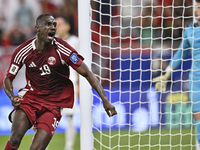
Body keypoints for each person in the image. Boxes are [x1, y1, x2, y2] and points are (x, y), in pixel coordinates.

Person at [3, 13, 117, 150]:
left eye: (54, 25)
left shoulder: (63, 49)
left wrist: (105, 100)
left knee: (37, 148)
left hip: (53, 104)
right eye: (48, 24)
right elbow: (8, 78)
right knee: (15, 137)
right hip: (31, 98)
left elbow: (88, 73)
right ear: (37, 28)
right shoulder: (23, 51)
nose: (52, 27)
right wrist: (11, 96)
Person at [152, 0, 200, 147]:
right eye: (195, 7)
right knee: (199, 118)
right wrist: (167, 73)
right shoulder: (190, 30)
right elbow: (180, 54)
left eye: (199, 7)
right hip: (196, 81)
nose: (196, 10)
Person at [55, 16, 79, 150]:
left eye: (59, 24)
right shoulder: (52, 42)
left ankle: (68, 147)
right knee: (45, 117)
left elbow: (83, 63)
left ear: (67, 26)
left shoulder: (75, 41)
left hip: (70, 84)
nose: (57, 27)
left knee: (69, 117)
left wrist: (81, 84)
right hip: (53, 86)